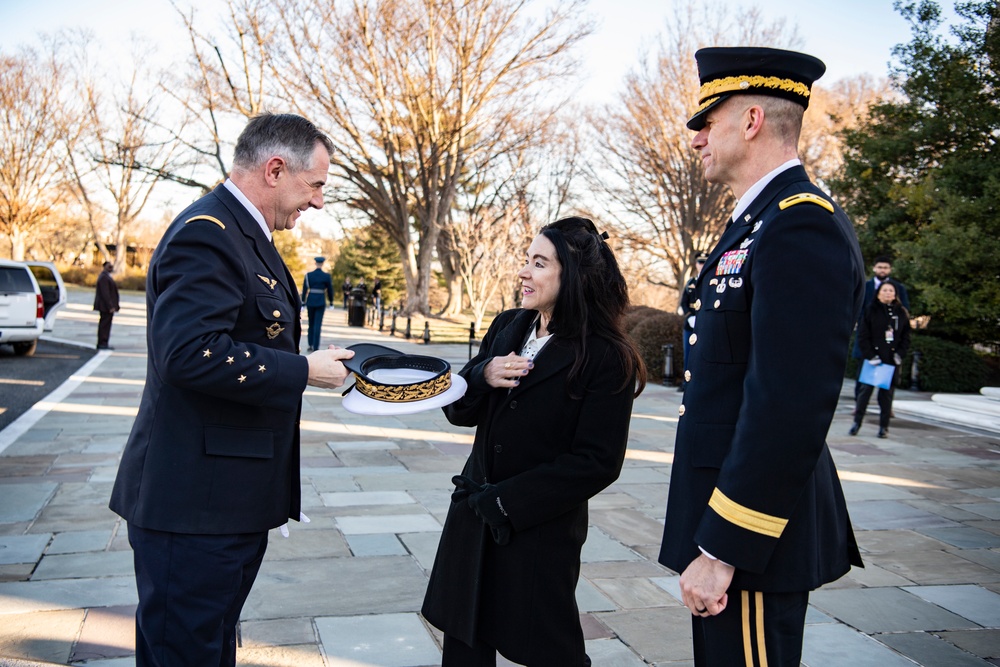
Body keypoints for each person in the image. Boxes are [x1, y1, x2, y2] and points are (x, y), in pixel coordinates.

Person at [109, 113, 355, 667]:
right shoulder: (208, 234)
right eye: (315, 185)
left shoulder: (244, 235)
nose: (317, 202)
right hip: (194, 508)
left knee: (208, 650)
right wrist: (303, 370)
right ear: (275, 169)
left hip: (225, 504)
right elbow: (188, 354)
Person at [658, 47, 865, 666]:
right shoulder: (756, 224)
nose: (696, 138)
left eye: (707, 121)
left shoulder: (800, 225)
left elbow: (788, 404)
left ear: (750, 119)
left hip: (750, 534)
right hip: (725, 514)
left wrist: (724, 549)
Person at [423, 216, 646, 666]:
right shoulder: (509, 326)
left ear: (573, 275)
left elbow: (597, 461)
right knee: (465, 644)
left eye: (539, 263)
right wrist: (482, 375)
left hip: (537, 531)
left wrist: (506, 503)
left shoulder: (606, 356)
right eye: (527, 260)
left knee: (550, 649)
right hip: (473, 518)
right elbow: (458, 411)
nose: (524, 272)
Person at [851, 281, 911, 438]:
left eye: (891, 290)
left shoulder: (901, 312)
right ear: (878, 293)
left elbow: (906, 337)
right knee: (864, 394)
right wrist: (870, 355)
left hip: (891, 360)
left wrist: (900, 354)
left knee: (886, 397)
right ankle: (857, 422)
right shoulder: (871, 310)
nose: (888, 293)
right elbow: (863, 336)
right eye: (884, 290)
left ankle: (884, 427)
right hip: (873, 360)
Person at [852, 255, 910, 401]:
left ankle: (886, 405)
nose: (882, 270)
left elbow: (904, 310)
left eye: (885, 267)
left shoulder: (898, 288)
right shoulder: (866, 286)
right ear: (874, 268)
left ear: (890, 269)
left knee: (889, 378)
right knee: (863, 375)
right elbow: (858, 307)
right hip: (868, 335)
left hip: (889, 340)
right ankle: (859, 403)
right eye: (880, 267)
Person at [679, 253, 708, 391]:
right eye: (700, 262)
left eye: (704, 262)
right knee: (688, 354)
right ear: (696, 264)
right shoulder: (690, 283)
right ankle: (686, 383)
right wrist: (690, 316)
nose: (702, 265)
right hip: (690, 324)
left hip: (703, 324)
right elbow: (684, 303)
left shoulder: (710, 281)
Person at [302, 256, 335, 352]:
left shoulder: (309, 275)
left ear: (315, 263)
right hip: (320, 300)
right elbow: (330, 290)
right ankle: (316, 347)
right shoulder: (326, 276)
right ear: (322, 264)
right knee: (318, 324)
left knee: (311, 323)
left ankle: (310, 344)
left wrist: (303, 303)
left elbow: (305, 290)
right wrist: (331, 302)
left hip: (311, 300)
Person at [94, 261, 120, 350]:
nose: (111, 268)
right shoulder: (104, 278)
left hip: (106, 307)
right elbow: (105, 293)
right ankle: (102, 342)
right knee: (104, 325)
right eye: (109, 267)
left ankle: (104, 342)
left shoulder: (106, 276)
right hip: (105, 307)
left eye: (111, 267)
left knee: (106, 325)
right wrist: (110, 306)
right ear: (104, 267)